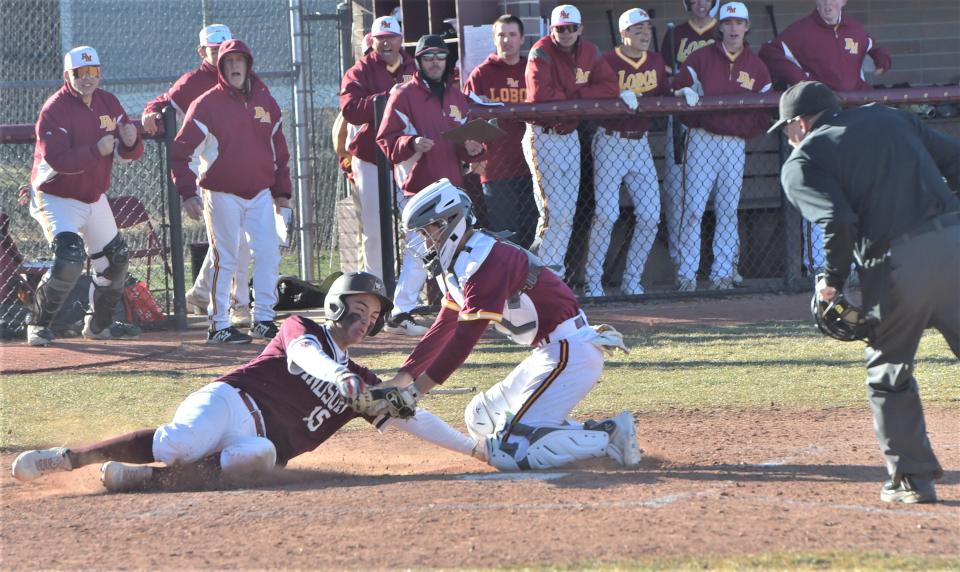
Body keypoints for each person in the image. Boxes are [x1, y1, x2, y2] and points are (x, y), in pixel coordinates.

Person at [11, 272, 487, 492]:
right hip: (230, 401)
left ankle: (146, 481)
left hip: (257, 438)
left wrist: (472, 450)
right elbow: (305, 356)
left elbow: (410, 416)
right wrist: (339, 375)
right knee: (179, 443)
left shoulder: (360, 381)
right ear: (338, 307)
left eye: (374, 316)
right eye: (359, 310)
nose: (365, 321)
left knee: (259, 459)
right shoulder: (305, 329)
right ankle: (68, 459)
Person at [771, 81, 959, 504]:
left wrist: (829, 281)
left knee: (889, 373)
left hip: (898, 263)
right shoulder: (891, 116)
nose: (788, 136)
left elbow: (837, 221)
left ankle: (912, 479)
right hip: (955, 242)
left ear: (800, 123)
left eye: (786, 128)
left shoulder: (802, 160)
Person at [383, 179, 641, 471]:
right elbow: (444, 328)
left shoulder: (483, 262)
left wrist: (416, 391)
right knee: (481, 418)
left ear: (450, 222)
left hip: (572, 351)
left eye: (428, 230)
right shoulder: (462, 261)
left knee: (509, 449)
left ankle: (610, 436)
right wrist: (401, 380)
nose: (426, 241)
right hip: (553, 351)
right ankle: (584, 432)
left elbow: (463, 341)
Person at [759, 0, 892, 276]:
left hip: (853, 120)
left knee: (856, 192)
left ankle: (856, 260)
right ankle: (819, 265)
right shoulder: (800, 31)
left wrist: (881, 58)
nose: (827, 3)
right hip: (819, 121)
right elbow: (769, 52)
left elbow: (872, 46)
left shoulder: (855, 28)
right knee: (821, 193)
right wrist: (803, 79)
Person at [170, 39, 291, 344]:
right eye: (229, 62)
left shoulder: (266, 101)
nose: (235, 66)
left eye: (240, 60)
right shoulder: (207, 104)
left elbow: (279, 153)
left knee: (267, 252)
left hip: (260, 193)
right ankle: (218, 323)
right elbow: (179, 153)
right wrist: (188, 193)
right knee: (226, 258)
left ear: (249, 65)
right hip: (221, 194)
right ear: (221, 67)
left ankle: (263, 318)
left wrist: (282, 194)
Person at [25, 46, 144, 347]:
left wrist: (132, 143)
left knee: (115, 261)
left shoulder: (109, 102)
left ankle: (97, 325)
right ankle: (37, 324)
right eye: (81, 73)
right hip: (55, 196)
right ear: (69, 75)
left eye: (93, 72)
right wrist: (95, 151)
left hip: (93, 196)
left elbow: (128, 150)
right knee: (69, 258)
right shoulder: (54, 109)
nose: (88, 79)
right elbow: (59, 161)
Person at [140, 24, 252, 328]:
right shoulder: (195, 80)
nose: (219, 55)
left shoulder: (243, 76)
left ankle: (202, 295)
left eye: (223, 48)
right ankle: (237, 302)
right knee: (235, 239)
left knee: (233, 240)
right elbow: (163, 102)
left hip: (245, 169)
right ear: (202, 52)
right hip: (213, 170)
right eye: (213, 50)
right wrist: (151, 110)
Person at [376, 34, 484, 336]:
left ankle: (458, 307)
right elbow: (386, 140)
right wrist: (411, 142)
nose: (435, 62)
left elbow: (461, 141)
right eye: (428, 57)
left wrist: (474, 148)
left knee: (452, 248)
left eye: (440, 57)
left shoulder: (454, 96)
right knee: (420, 251)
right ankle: (401, 312)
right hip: (417, 187)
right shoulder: (403, 95)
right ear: (419, 61)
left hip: (450, 186)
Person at [670, 2, 771, 291]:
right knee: (693, 208)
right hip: (702, 138)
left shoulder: (756, 65)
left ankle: (722, 274)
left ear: (747, 26)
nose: (733, 28)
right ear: (720, 27)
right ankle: (687, 275)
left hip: (734, 144)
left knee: (728, 209)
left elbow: (764, 110)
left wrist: (741, 130)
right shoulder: (701, 57)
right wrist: (685, 91)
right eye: (728, 23)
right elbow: (678, 84)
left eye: (739, 23)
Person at [522, 4, 620, 281]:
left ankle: (552, 274)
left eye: (571, 28)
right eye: (560, 29)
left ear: (580, 29)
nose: (566, 33)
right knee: (555, 213)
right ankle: (538, 276)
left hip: (571, 136)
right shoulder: (540, 51)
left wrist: (574, 95)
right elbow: (542, 96)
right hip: (543, 135)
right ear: (551, 29)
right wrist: (581, 98)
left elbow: (610, 87)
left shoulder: (589, 51)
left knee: (567, 212)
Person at [585, 8, 668, 297]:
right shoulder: (607, 61)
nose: (645, 33)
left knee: (650, 215)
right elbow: (588, 92)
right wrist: (615, 95)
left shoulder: (656, 61)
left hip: (641, 142)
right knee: (606, 214)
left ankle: (632, 280)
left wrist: (683, 91)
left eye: (647, 27)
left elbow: (666, 92)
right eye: (637, 29)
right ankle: (592, 281)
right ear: (624, 34)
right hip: (611, 140)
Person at [339, 16, 416, 281]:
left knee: (415, 224)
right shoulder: (360, 70)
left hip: (405, 157)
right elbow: (350, 109)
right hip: (370, 157)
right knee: (374, 229)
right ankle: (378, 288)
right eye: (380, 39)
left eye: (391, 38)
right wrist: (386, 98)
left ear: (400, 39)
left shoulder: (412, 66)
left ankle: (409, 289)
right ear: (371, 41)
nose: (386, 43)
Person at [461, 14, 537, 249]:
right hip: (496, 169)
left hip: (533, 166)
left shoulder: (531, 70)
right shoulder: (481, 74)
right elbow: (465, 119)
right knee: (505, 238)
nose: (507, 40)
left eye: (512, 34)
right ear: (494, 39)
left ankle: (533, 286)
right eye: (501, 35)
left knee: (533, 231)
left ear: (522, 38)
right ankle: (510, 285)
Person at [660, 0, 720, 283]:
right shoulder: (675, 34)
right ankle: (679, 261)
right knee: (678, 195)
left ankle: (726, 264)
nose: (701, 3)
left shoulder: (724, 30)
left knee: (722, 201)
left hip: (717, 123)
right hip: (682, 120)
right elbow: (665, 76)